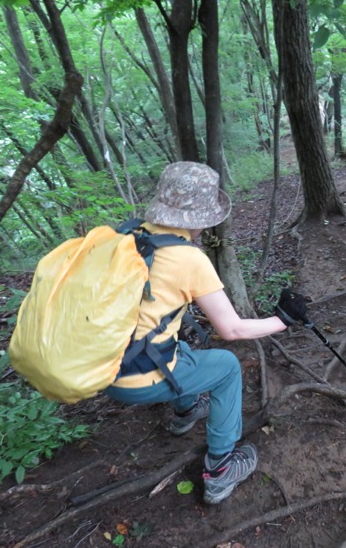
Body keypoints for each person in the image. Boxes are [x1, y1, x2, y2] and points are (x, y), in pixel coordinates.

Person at [103, 161, 308, 505]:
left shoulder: (126, 236)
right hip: (138, 379)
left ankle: (185, 414)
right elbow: (232, 328)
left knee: (178, 347)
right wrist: (283, 321)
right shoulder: (187, 258)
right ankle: (220, 470)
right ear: (202, 217)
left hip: (102, 369)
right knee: (226, 366)